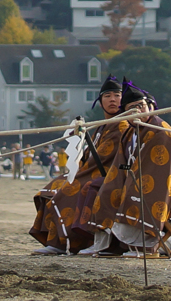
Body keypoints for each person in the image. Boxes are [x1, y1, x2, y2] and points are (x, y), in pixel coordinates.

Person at [82, 81, 171, 256]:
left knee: (139, 189)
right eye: (132, 108)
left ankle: (147, 245)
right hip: (141, 177)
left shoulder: (162, 132)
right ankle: (110, 244)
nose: (137, 111)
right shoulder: (130, 132)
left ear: (150, 107)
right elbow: (119, 166)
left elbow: (159, 171)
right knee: (108, 189)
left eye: (141, 106)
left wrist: (129, 183)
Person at [30, 74, 124, 255]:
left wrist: (80, 172)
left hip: (110, 175)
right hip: (91, 171)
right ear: (100, 101)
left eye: (117, 95)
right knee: (51, 188)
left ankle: (68, 243)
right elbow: (88, 156)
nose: (113, 100)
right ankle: (54, 240)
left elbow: (105, 158)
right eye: (107, 96)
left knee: (67, 191)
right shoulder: (101, 126)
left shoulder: (123, 125)